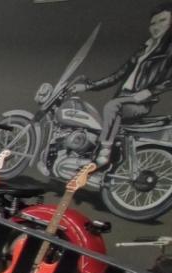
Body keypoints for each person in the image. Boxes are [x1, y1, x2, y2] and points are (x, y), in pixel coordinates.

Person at [70, 3, 172, 166]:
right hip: (122, 98)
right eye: (153, 23)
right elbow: (118, 74)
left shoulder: (168, 50)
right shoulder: (145, 48)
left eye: (162, 20)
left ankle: (104, 152)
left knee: (112, 107)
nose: (156, 26)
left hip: (139, 101)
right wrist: (88, 86)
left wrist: (151, 91)